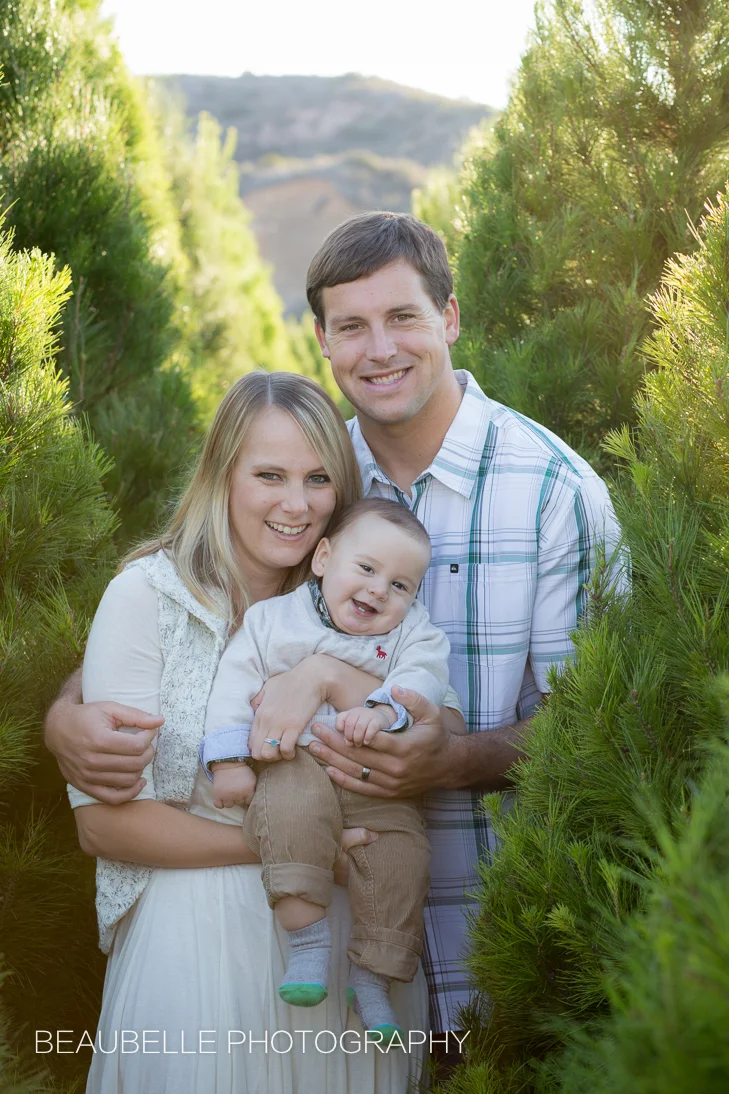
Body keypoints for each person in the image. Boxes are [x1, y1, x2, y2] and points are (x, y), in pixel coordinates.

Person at [46, 212, 622, 1064]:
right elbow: (184, 618)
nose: (377, 348)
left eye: (403, 318)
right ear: (321, 339)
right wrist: (65, 713)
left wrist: (447, 759)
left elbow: (601, 735)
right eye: (351, 325)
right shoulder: (321, 469)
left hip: (480, 946)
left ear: (451, 319)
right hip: (281, 945)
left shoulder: (552, 495)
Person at [64, 371, 435, 1094]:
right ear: (221, 475)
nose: (295, 505)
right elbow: (104, 829)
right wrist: (304, 849)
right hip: (199, 943)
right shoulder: (149, 597)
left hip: (347, 951)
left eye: (317, 479)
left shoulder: (362, 595)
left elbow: (431, 726)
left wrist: (325, 675)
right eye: (269, 475)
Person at [202, 497, 461, 1043]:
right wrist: (228, 761)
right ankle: (309, 945)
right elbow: (233, 683)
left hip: (375, 784)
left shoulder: (415, 633)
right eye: (366, 569)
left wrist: (387, 708)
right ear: (323, 558)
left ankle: (373, 976)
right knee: (288, 815)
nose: (377, 591)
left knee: (405, 854)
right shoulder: (274, 621)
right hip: (293, 763)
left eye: (400, 585)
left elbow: (427, 678)